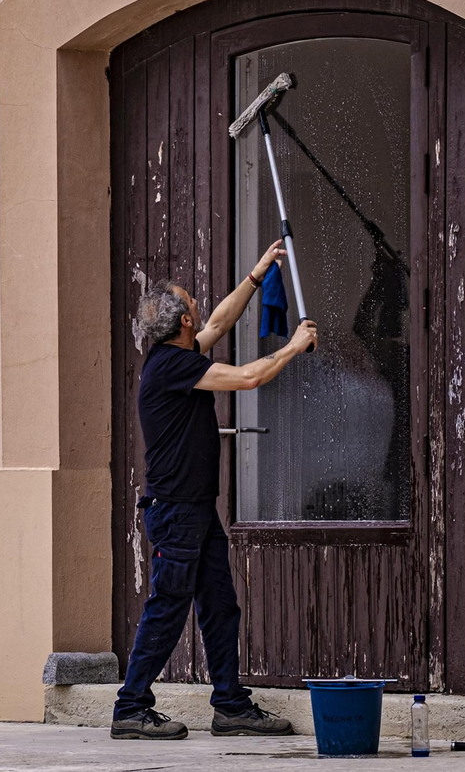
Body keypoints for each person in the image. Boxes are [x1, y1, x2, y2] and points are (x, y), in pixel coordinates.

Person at [111, 239, 318, 741]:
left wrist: (256, 273)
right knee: (168, 605)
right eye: (191, 303)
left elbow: (220, 324)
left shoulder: (178, 353)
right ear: (182, 320)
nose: (199, 307)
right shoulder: (172, 366)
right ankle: (130, 708)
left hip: (196, 511)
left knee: (220, 605)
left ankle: (230, 706)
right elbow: (247, 378)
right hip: (176, 513)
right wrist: (292, 347)